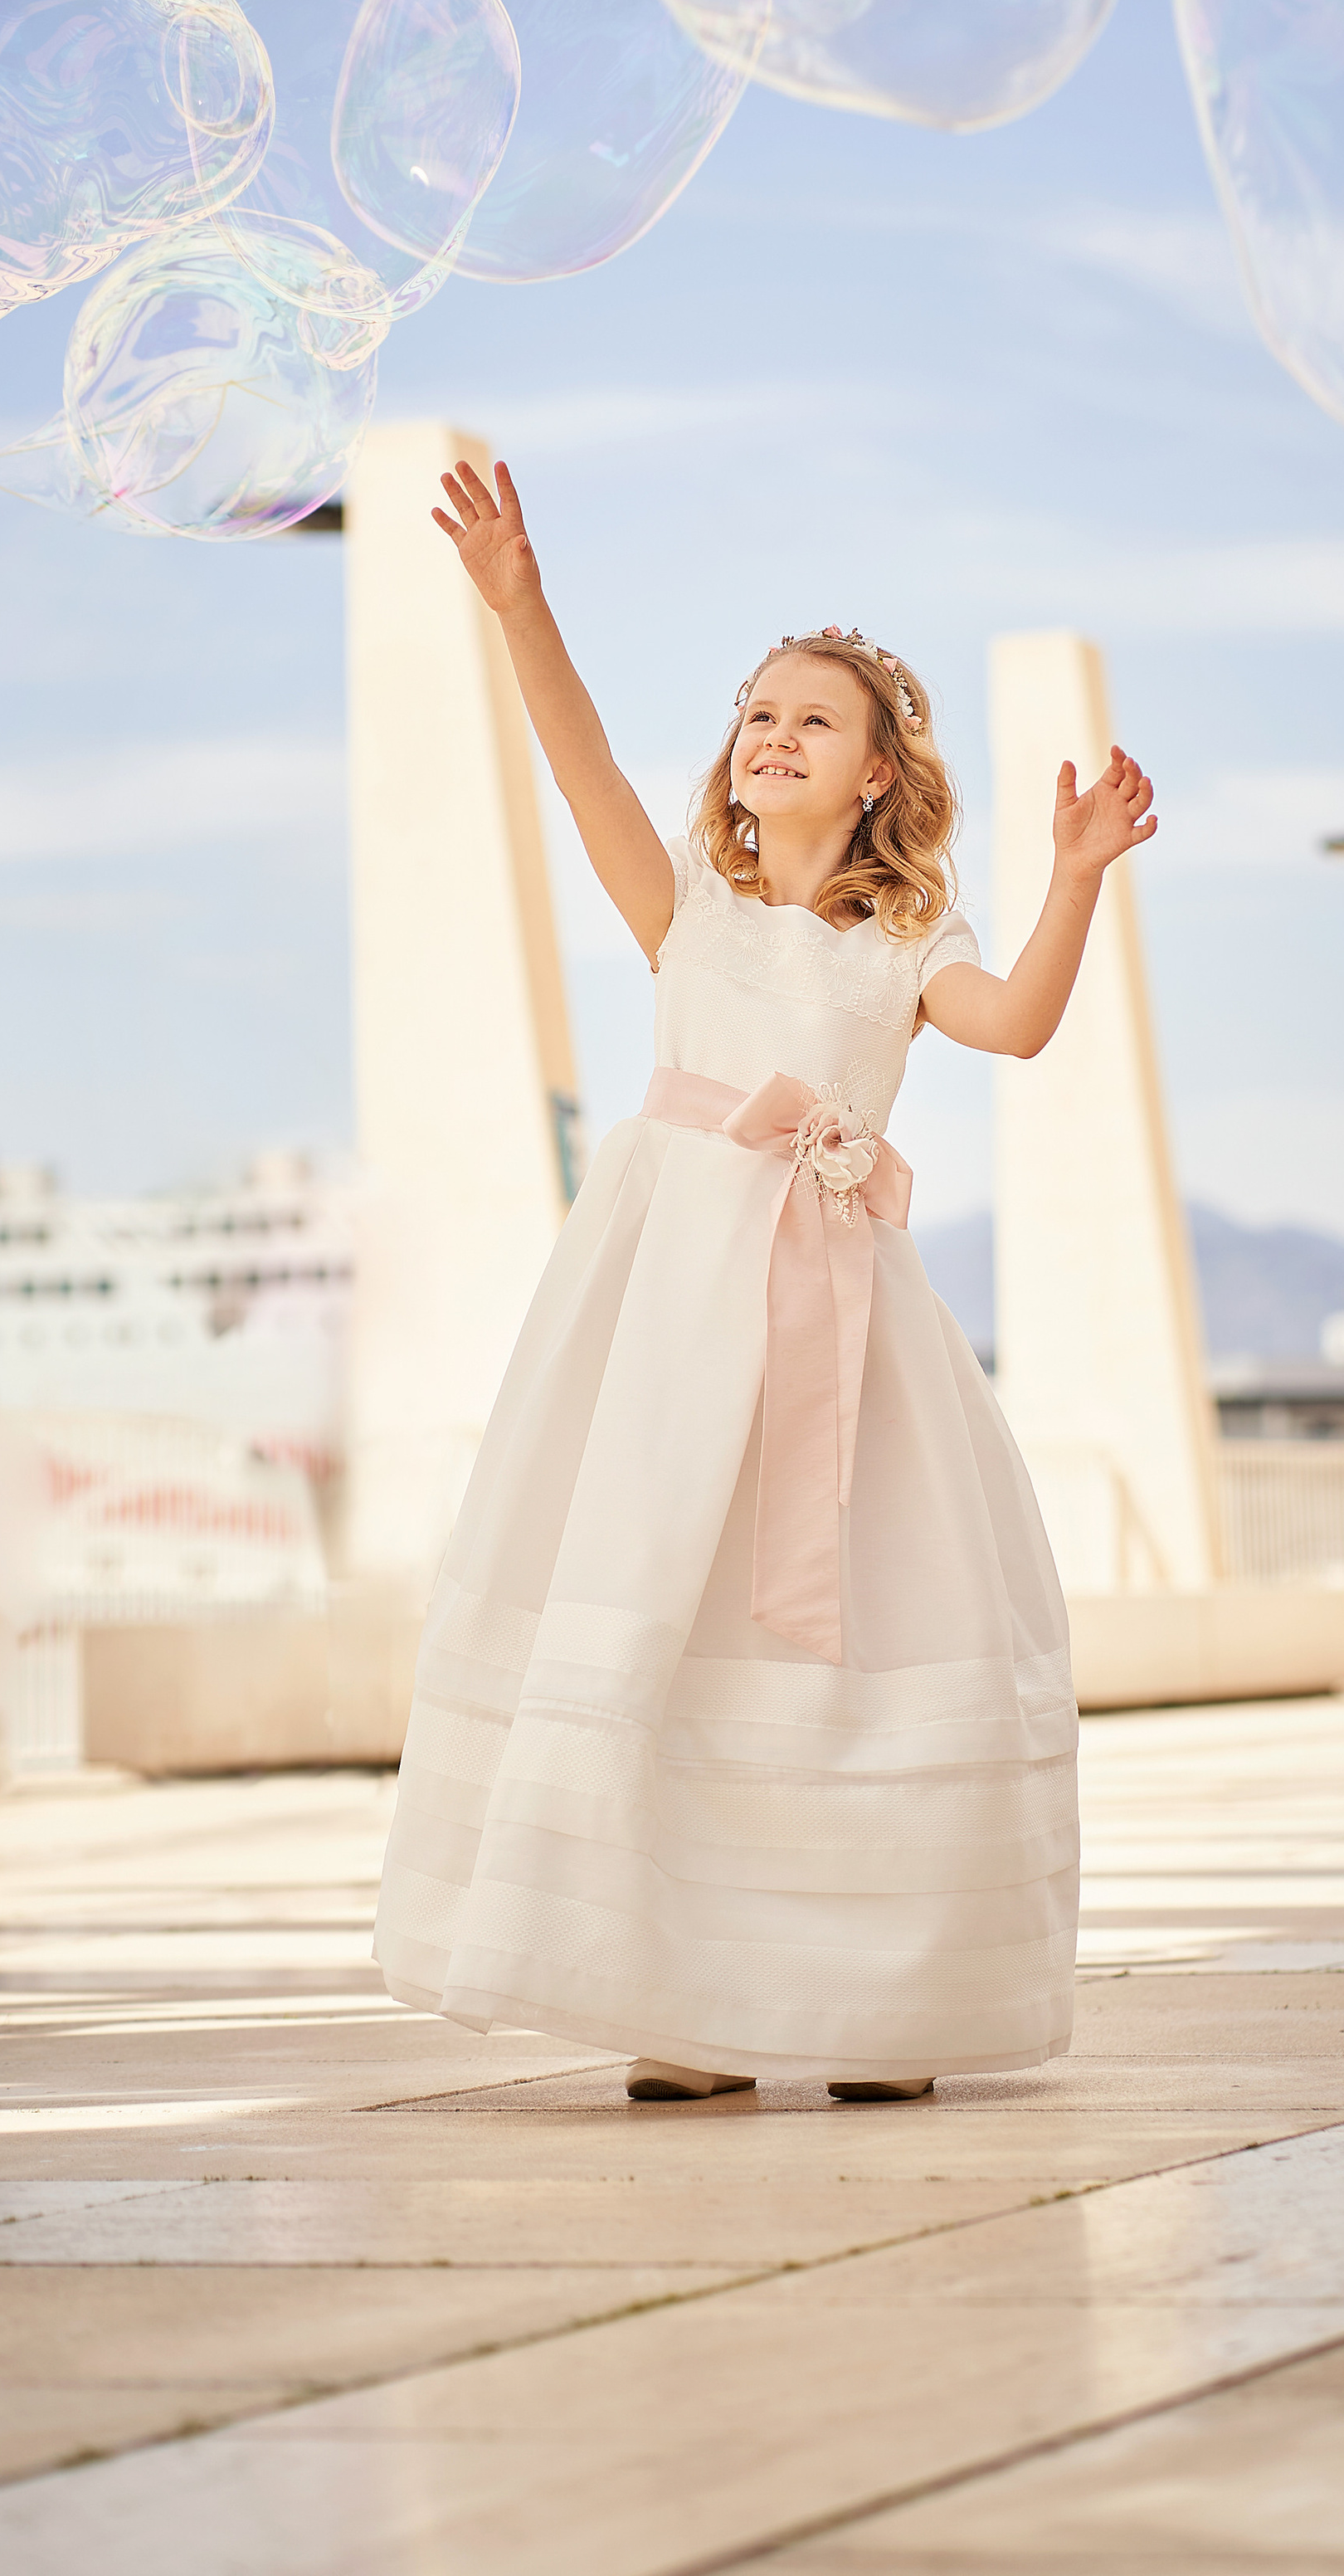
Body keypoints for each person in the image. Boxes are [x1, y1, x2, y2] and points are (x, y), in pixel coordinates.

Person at [373, 457, 1157, 2102]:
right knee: (669, 1602)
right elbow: (572, 758)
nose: (770, 735)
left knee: (852, 1632)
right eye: (753, 714)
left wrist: (1078, 874)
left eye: (812, 719)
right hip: (666, 1321)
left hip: (837, 1327)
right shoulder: (687, 909)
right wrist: (521, 604)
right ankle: (689, 1996)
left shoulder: (904, 941)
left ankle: (875, 2002)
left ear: (878, 776)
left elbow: (1014, 1022)